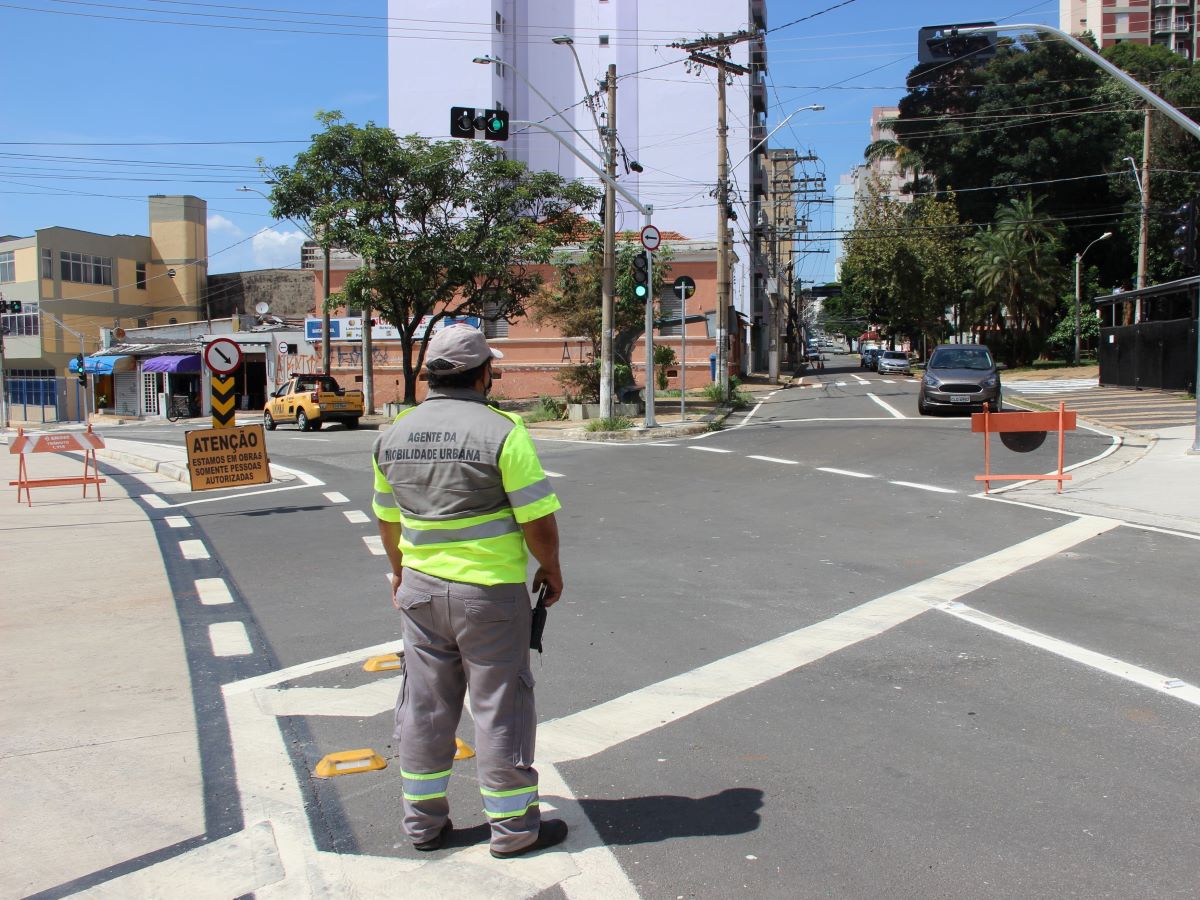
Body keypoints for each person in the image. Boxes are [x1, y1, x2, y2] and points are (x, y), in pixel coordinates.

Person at [371, 324, 568, 859]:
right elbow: (537, 518)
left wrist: (398, 571)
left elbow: (388, 520)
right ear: (483, 374)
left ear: (431, 374)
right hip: (489, 597)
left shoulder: (393, 434)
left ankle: (423, 826)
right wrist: (550, 568)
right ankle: (511, 831)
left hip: (419, 592)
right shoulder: (503, 431)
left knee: (425, 709)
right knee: (500, 709)